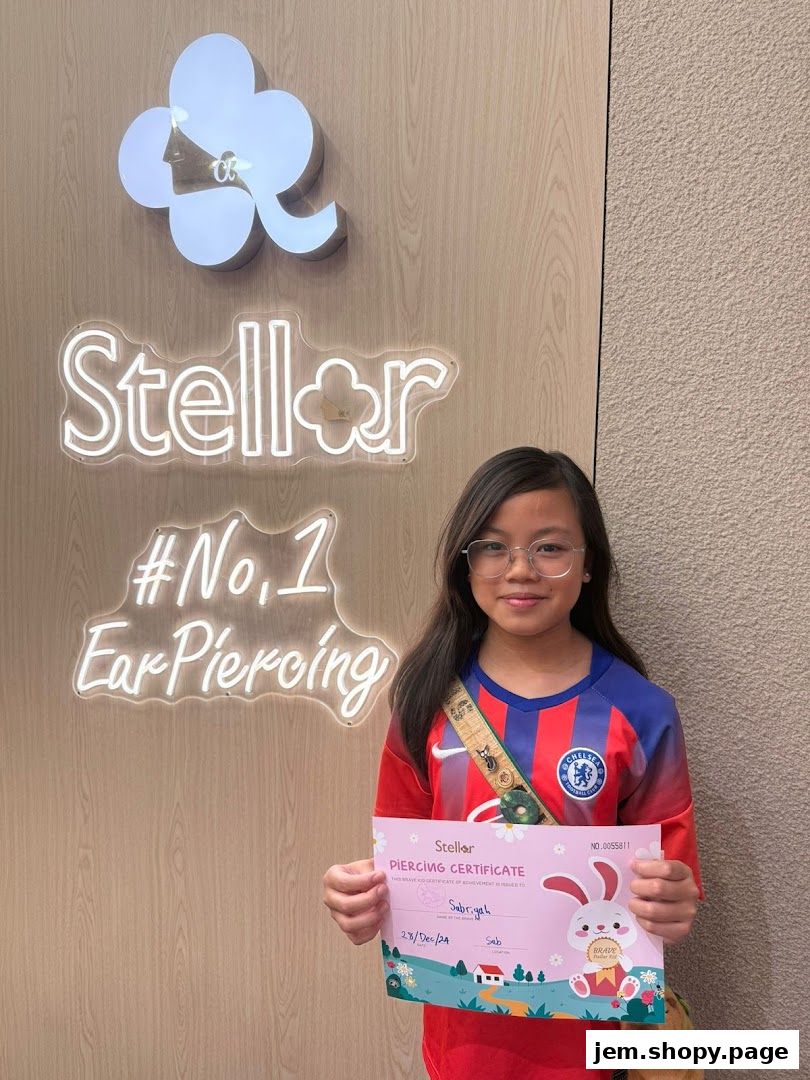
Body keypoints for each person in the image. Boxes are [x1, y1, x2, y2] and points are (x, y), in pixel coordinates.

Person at [323, 447, 702, 1080]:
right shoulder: (425, 700)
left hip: (598, 1050)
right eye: (493, 547)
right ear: (465, 566)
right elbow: (400, 862)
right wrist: (362, 898)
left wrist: (674, 901)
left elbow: (672, 884)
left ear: (588, 567)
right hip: (462, 1043)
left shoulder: (642, 711)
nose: (520, 569)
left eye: (550, 547)